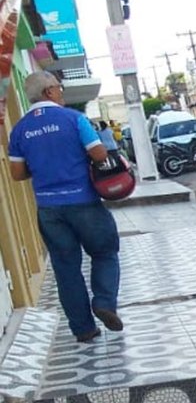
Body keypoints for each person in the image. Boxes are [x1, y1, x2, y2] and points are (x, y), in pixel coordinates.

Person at [7, 71, 123, 342]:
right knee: (105, 252)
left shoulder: (20, 129)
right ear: (48, 92)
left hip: (48, 209)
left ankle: (83, 329)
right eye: (59, 88)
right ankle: (104, 302)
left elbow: (16, 173)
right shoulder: (74, 119)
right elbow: (99, 153)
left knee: (66, 268)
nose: (62, 92)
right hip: (83, 201)